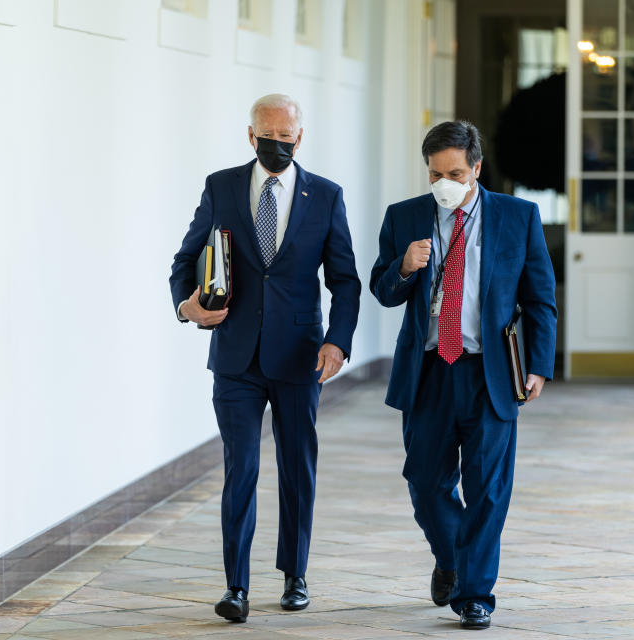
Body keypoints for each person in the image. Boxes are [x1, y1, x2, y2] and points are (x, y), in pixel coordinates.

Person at [169, 94, 360, 623]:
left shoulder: (325, 196)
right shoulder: (221, 187)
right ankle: (236, 586)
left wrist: (338, 341)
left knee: (297, 469)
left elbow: (344, 281)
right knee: (242, 469)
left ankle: (295, 575)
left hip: (302, 356)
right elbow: (185, 261)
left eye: (287, 136)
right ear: (250, 136)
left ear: (300, 137)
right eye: (267, 135)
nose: (278, 144)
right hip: (235, 356)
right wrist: (186, 307)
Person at [369, 120, 557, 630]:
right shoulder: (404, 216)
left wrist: (539, 365)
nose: (444, 182)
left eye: (455, 172)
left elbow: (540, 299)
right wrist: (405, 267)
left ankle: (475, 593)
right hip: (428, 370)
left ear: (476, 167)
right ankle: (451, 556)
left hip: (488, 371)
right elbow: (383, 290)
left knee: (488, 488)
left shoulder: (517, 217)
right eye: (435, 174)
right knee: (425, 483)